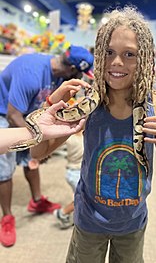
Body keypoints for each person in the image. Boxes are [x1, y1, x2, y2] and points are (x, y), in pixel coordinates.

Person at [31, 6, 156, 263]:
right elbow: (37, 152)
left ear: (145, 58)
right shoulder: (85, 105)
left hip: (133, 221)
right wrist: (49, 109)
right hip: (90, 218)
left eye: (129, 54)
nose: (117, 62)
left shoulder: (154, 105)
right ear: (99, 55)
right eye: (109, 52)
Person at [0, 45, 93, 247]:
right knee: (4, 168)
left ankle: (36, 200)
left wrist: (42, 146)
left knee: (32, 160)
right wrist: (38, 139)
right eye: (81, 74)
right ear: (72, 69)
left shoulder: (61, 75)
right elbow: (12, 115)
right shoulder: (30, 73)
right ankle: (7, 217)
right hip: (5, 112)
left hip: (29, 111)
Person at [0, 101, 86, 155]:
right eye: (17, 148)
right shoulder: (36, 137)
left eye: (16, 148)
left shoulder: (36, 135)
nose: (14, 149)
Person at [53, 131, 83, 229]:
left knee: (80, 196)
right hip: (77, 173)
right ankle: (62, 213)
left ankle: (78, 217)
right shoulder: (84, 137)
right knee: (83, 199)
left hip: (71, 171)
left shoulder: (69, 136)